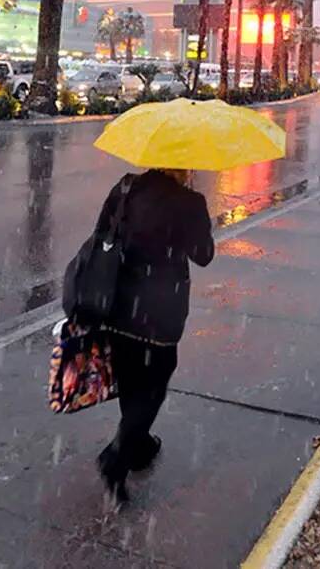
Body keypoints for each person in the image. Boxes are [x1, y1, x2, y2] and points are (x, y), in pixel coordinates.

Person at [86, 167, 214, 504]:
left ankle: (139, 446)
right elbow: (204, 256)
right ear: (184, 165)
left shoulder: (126, 187)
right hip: (161, 310)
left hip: (118, 301)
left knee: (131, 376)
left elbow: (101, 234)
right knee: (153, 385)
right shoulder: (189, 202)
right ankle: (117, 456)